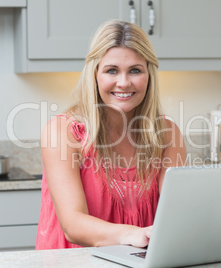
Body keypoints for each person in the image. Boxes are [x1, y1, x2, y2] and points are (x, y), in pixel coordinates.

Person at [36, 19, 186, 250]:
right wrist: (133, 234)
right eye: (111, 70)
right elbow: (73, 225)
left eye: (135, 70)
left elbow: (176, 213)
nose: (124, 82)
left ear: (149, 75)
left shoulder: (166, 134)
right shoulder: (63, 132)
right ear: (94, 74)